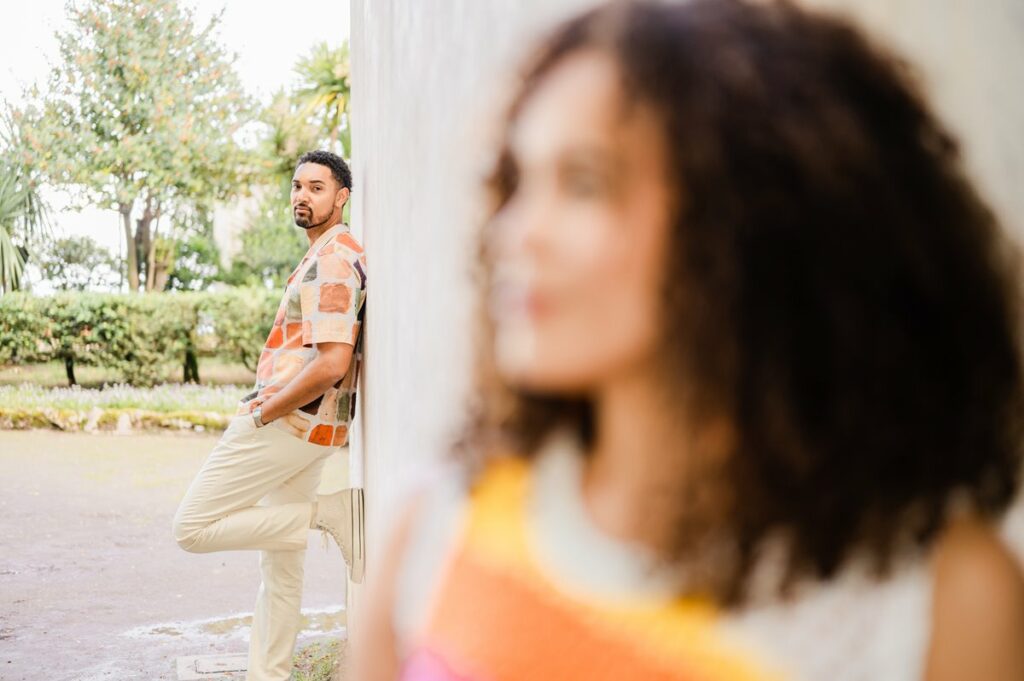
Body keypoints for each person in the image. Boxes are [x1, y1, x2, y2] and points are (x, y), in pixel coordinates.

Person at [354, 2, 1024, 680]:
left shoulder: (935, 606)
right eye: (518, 182)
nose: (515, 232)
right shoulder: (434, 532)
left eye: (583, 183)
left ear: (754, 219)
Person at [173, 149, 366, 681]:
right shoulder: (329, 252)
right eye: (298, 186)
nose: (303, 196)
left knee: (191, 527)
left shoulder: (332, 259)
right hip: (312, 426)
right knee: (281, 567)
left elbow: (332, 361)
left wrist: (263, 412)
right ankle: (270, 674)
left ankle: (327, 514)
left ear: (341, 196)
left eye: (318, 187)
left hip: (289, 424)